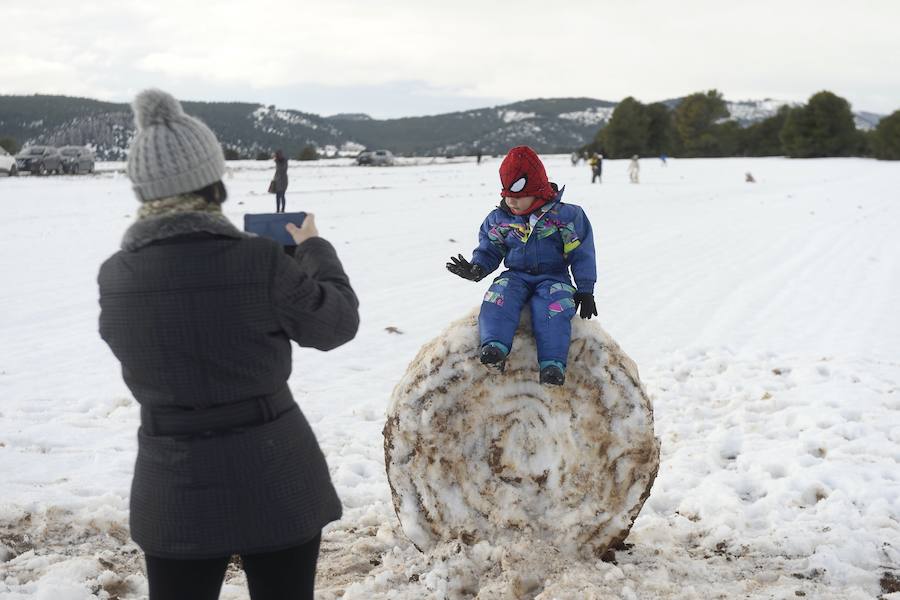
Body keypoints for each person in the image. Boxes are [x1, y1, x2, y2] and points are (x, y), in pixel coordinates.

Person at [98, 89, 359, 600]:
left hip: (171, 482)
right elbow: (336, 323)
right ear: (212, 179)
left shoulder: (117, 276)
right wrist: (312, 250)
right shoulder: (261, 261)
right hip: (276, 472)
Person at [446, 145, 597, 386]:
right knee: (498, 298)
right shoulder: (500, 219)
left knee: (553, 310)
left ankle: (552, 364)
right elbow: (491, 247)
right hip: (516, 275)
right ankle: (494, 347)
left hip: (554, 277)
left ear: (538, 191)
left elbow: (581, 252)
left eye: (517, 196)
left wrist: (585, 288)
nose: (511, 202)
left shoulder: (566, 217)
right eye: (507, 195)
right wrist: (478, 268)